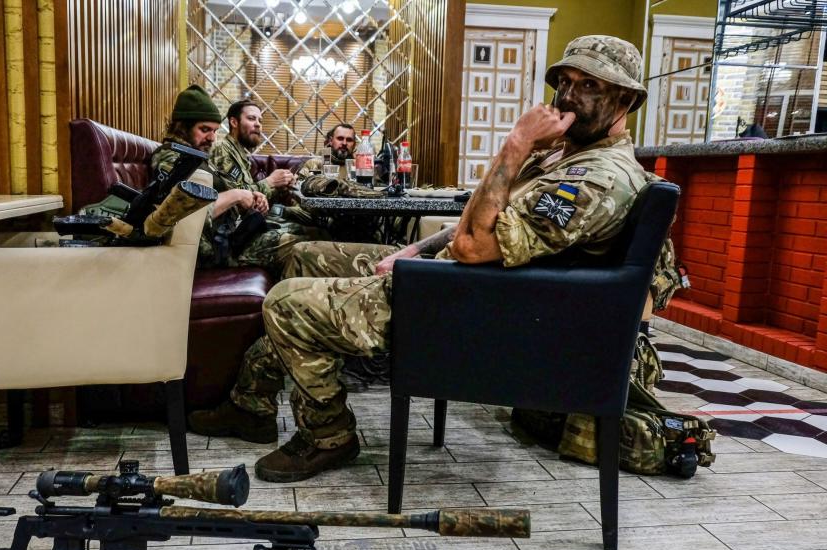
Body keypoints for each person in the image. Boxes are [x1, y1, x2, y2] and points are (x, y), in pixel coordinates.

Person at [190, 35, 657, 482]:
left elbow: (476, 245)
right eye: (565, 82)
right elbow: (476, 224)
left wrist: (515, 144)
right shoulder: (562, 159)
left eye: (590, 85)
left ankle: (328, 434)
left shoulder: (597, 181)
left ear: (626, 101)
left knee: (287, 303)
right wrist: (412, 250)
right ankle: (252, 404)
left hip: (479, 311)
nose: (569, 97)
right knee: (308, 255)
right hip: (465, 282)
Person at [152, 88, 324, 276]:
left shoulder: (192, 156)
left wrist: (252, 196)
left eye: (215, 131)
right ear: (183, 127)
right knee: (304, 247)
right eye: (204, 130)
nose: (212, 138)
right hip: (216, 252)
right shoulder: (172, 159)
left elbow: (223, 195)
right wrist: (238, 195)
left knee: (309, 233)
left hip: (229, 236)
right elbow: (187, 216)